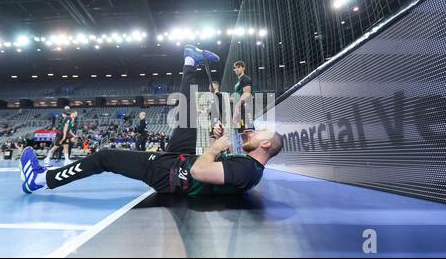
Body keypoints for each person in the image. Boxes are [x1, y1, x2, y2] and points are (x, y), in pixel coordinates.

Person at [19, 45, 284, 196]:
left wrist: (215, 148)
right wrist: (216, 140)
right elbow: (212, 169)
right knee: (187, 115)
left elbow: (199, 173)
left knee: (105, 157)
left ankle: (41, 180)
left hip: (170, 173)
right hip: (183, 161)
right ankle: (190, 60)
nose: (254, 131)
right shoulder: (249, 166)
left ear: (265, 146)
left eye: (261, 132)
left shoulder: (249, 171)